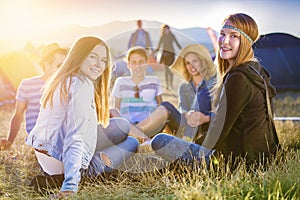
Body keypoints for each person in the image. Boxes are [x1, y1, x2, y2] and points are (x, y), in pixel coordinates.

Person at [151, 13, 280, 166]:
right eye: (222, 34)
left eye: (234, 36)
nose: (224, 41)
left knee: (159, 141)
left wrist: (191, 149)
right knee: (167, 156)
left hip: (239, 162)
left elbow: (218, 134)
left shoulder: (238, 78)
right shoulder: (256, 70)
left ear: (245, 42)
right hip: (262, 156)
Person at [25, 36, 139, 198]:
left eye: (103, 59)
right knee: (131, 142)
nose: (99, 64)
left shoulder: (63, 79)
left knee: (121, 126)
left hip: (48, 158)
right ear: (80, 56)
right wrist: (69, 186)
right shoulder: (80, 85)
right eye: (93, 56)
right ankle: (69, 178)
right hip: (66, 165)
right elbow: (74, 136)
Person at [131, 44, 216, 144]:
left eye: (194, 61)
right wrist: (187, 114)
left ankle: (132, 132)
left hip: (204, 125)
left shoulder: (213, 83)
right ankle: (135, 132)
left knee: (201, 95)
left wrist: (206, 118)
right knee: (166, 106)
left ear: (202, 62)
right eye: (188, 63)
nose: (191, 66)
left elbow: (221, 110)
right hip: (185, 125)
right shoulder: (184, 87)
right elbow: (182, 107)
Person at [0, 43, 67, 151]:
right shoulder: (27, 85)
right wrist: (10, 141)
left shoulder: (66, 85)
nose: (63, 69)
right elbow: (18, 116)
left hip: (62, 137)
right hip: (39, 139)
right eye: (59, 65)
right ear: (46, 64)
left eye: (65, 65)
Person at [111, 46, 163, 142]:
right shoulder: (120, 82)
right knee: (112, 110)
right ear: (128, 65)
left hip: (149, 125)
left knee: (164, 108)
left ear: (147, 63)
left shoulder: (154, 81)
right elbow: (116, 108)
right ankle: (144, 139)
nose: (138, 66)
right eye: (134, 62)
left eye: (141, 62)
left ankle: (136, 135)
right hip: (126, 125)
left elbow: (160, 106)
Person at [153, 24, 182, 89]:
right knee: (166, 70)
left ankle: (171, 85)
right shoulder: (162, 37)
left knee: (171, 70)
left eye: (167, 29)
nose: (166, 30)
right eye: (165, 29)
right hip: (165, 55)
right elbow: (158, 47)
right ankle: (167, 85)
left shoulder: (172, 36)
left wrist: (183, 50)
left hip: (171, 55)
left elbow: (177, 44)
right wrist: (153, 52)